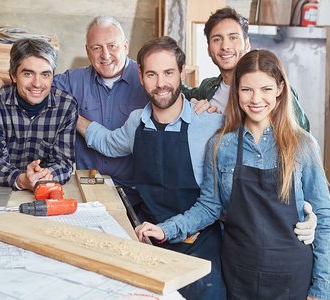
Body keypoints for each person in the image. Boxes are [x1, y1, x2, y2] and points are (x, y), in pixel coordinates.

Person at [136, 49, 330, 300]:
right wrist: (166, 229)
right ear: (236, 91)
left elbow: (324, 219)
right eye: (246, 89)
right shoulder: (222, 145)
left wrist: (321, 289)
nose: (256, 99)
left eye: (265, 89)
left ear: (280, 89)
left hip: (291, 275)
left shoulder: (302, 145)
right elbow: (209, 207)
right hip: (238, 273)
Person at [77, 36, 225, 299]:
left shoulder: (210, 124)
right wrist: (72, 116)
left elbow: (213, 204)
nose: (161, 84)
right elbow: (108, 143)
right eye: (152, 74)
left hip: (198, 249)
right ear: (141, 76)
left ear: (182, 73)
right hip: (148, 244)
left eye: (168, 73)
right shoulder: (137, 122)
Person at [0, 16, 148, 204]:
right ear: (87, 51)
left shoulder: (147, 80)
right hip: (84, 185)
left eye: (112, 46)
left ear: (126, 46)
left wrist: (73, 120)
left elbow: (65, 161)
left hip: (132, 190)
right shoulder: (72, 80)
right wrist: (0, 82)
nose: (105, 55)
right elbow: (37, 86)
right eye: (96, 47)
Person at [0, 38, 78, 191]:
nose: (37, 83)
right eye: (28, 74)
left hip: (41, 185)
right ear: (13, 76)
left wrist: (44, 176)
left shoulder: (67, 106)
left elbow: (64, 163)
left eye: (45, 75)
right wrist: (20, 179)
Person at [183, 6, 311, 132]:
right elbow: (178, 91)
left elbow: (302, 139)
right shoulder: (208, 88)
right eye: (217, 39)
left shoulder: (274, 90)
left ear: (247, 44)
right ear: (209, 50)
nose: (225, 46)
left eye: (233, 37)